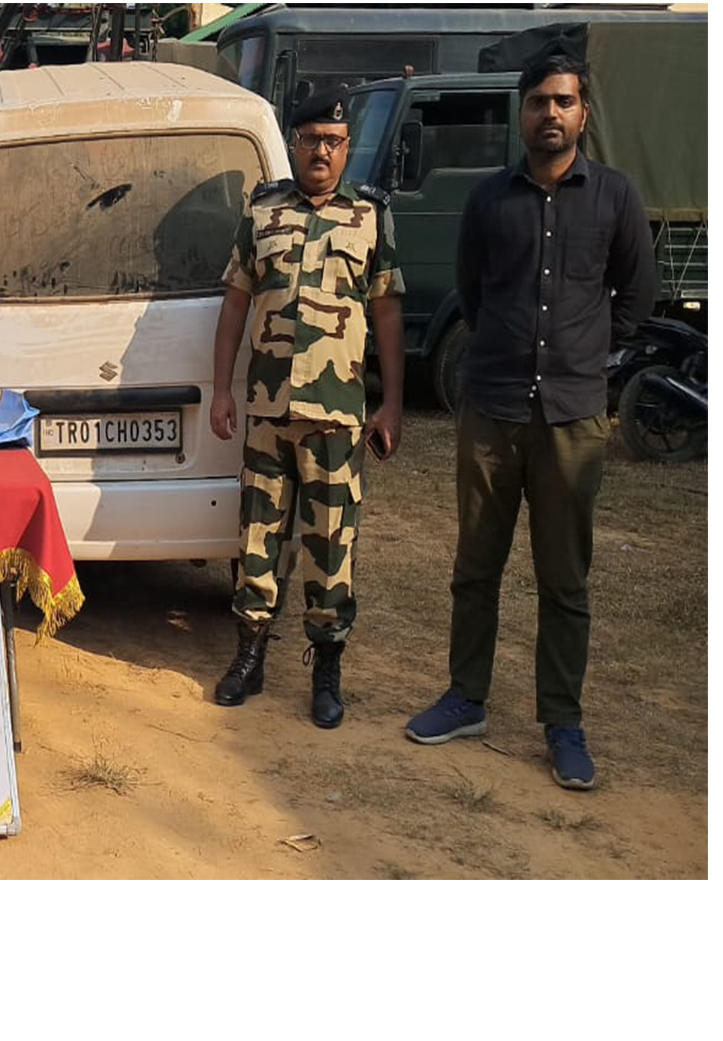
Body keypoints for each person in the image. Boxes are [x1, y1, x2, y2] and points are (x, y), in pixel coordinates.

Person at [405, 39, 656, 791]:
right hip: (492, 410)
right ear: (522, 111)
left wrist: (585, 359)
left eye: (565, 101)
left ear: (583, 112)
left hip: (573, 419)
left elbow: (635, 301)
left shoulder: (615, 198)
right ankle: (466, 697)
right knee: (476, 565)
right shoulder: (490, 201)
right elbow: (474, 297)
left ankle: (563, 722)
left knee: (563, 579)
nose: (552, 113)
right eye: (540, 101)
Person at [209, 86, 405, 729]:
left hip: (337, 414)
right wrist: (221, 388)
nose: (321, 150)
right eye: (311, 138)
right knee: (258, 540)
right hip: (267, 411)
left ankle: (327, 668)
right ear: (292, 144)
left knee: (330, 544)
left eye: (333, 141)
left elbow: (386, 311)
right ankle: (249, 656)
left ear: (348, 148)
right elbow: (236, 300)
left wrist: (393, 404)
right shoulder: (262, 214)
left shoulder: (370, 217)